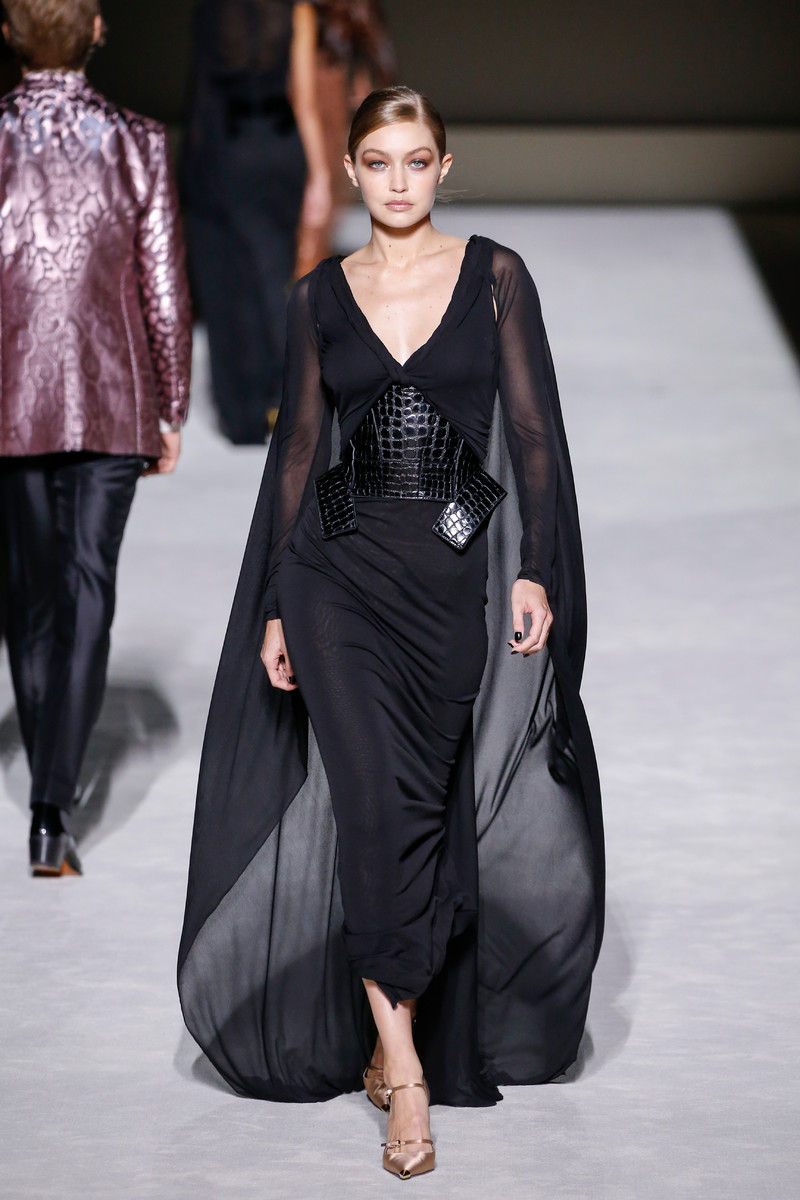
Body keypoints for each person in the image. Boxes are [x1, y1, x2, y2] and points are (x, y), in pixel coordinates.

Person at [179, 87, 603, 1180]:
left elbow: (532, 435)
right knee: (373, 810)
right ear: (353, 171)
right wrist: (278, 602)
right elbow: (296, 454)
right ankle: (405, 1073)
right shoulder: (320, 294)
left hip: (447, 590)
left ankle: (389, 1023)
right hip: (334, 582)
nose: (399, 181)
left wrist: (537, 570)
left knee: (424, 820)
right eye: (379, 161)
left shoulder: (495, 276)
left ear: (443, 169)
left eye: (417, 161)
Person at [0, 0, 192, 877]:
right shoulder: (137, 141)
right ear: (99, 32)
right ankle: (53, 808)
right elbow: (163, 282)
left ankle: (49, 762)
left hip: (10, 399)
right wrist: (171, 405)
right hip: (112, 396)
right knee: (86, 586)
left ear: (8, 35)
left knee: (28, 594)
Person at [182, 0, 331, 444]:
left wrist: (191, 168)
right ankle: (283, 399)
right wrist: (320, 176)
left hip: (221, 145)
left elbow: (201, 91)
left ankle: (239, 412)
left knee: (225, 277)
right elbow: (304, 100)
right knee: (271, 273)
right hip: (277, 149)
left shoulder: (212, 10)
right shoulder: (295, 10)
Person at [294, 0, 396, 278]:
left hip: (332, 135)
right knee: (311, 233)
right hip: (314, 141)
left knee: (317, 232)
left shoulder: (347, 25)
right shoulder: (308, 20)